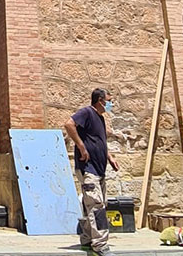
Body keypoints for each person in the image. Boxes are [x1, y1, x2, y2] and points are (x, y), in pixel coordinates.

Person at [63, 88, 119, 256]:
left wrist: (109, 157)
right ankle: (100, 244)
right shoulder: (87, 112)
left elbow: (99, 141)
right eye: (109, 100)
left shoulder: (101, 119)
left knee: (91, 207)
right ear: (100, 100)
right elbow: (68, 124)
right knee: (97, 206)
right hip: (89, 169)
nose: (111, 103)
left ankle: (87, 238)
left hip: (99, 168)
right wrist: (81, 146)